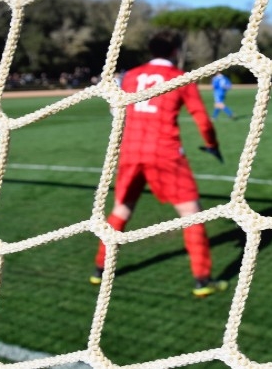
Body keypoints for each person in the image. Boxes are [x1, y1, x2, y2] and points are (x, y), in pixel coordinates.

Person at [89, 30, 228, 298]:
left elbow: (118, 111)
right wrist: (212, 144)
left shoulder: (131, 76)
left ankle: (100, 269)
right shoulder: (179, 78)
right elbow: (202, 118)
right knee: (192, 214)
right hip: (165, 153)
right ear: (175, 51)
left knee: (121, 208)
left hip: (131, 150)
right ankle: (203, 279)